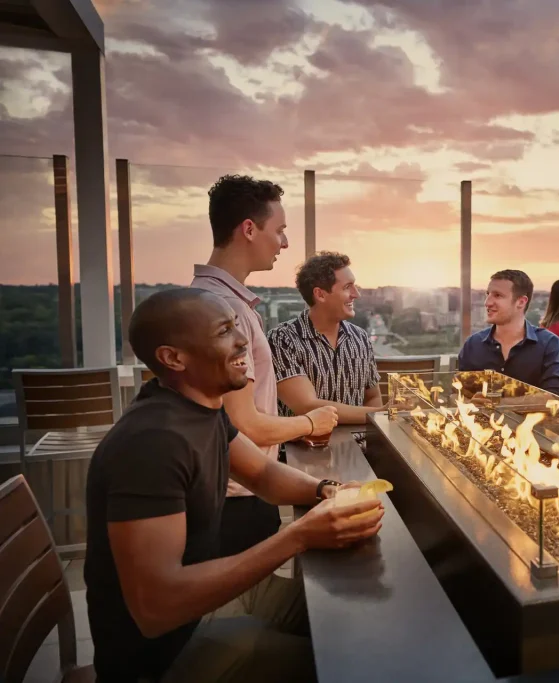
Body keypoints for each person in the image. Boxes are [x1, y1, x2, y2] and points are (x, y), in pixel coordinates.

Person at [84, 288, 384, 683]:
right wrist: (299, 536)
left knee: (356, 615)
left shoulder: (200, 408)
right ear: (173, 357)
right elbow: (156, 608)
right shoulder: (152, 443)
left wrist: (326, 489)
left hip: (207, 608)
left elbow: (262, 474)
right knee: (352, 663)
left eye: (238, 328)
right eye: (224, 331)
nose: (242, 341)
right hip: (167, 654)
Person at [191, 174, 338, 563]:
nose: (285, 243)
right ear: (250, 229)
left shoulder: (203, 298)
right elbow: (245, 425)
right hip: (238, 495)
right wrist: (312, 422)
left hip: (232, 488)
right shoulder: (227, 310)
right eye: (281, 230)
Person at [269, 252, 386, 423]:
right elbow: (307, 406)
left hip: (359, 446)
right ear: (320, 294)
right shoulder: (282, 340)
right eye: (347, 287)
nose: (356, 294)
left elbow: (372, 397)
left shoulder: (360, 337)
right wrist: (381, 414)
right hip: (306, 447)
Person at [457, 269, 559, 397]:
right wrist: (470, 402)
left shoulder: (548, 343)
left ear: (521, 302)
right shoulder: (473, 344)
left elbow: (555, 396)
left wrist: (498, 403)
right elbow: (459, 394)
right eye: (488, 294)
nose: (487, 302)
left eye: (497, 295)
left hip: (530, 418)